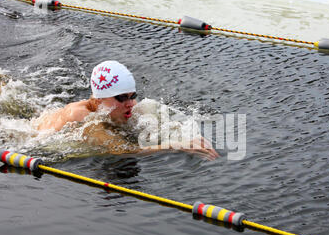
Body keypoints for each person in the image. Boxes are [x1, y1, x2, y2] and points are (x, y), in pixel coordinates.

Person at [36, 60, 219, 160]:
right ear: (100, 99)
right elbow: (122, 150)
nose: (131, 104)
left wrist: (186, 136)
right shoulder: (83, 118)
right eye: (122, 98)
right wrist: (178, 146)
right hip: (33, 138)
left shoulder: (121, 107)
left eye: (132, 96)